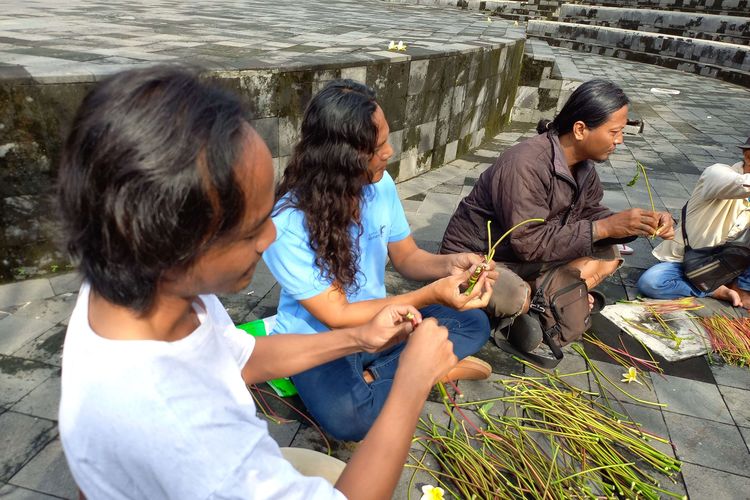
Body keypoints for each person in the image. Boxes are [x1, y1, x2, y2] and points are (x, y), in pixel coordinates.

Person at [57, 66, 460, 499]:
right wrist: (411, 386)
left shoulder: (137, 282)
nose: (269, 238)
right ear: (179, 246)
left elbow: (241, 356)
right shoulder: (188, 431)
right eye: (251, 230)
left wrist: (359, 338)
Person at [262, 79, 496, 442]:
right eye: (378, 145)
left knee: (475, 321)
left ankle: (388, 377)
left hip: (388, 325)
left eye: (387, 138)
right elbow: (336, 315)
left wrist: (451, 265)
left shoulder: (378, 185)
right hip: (325, 341)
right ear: (343, 157)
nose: (390, 151)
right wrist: (431, 295)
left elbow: (407, 257)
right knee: (350, 422)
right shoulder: (287, 222)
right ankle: (424, 370)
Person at [440, 79, 675, 358]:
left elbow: (590, 215)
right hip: (481, 258)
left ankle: (541, 301)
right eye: (614, 131)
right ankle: (536, 303)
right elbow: (527, 242)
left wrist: (632, 225)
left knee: (610, 255)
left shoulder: (583, 167)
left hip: (530, 258)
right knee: (514, 295)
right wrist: (603, 227)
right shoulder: (525, 164)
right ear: (580, 129)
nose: (619, 140)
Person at [637, 137, 750, 308]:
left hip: (728, 263)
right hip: (691, 263)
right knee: (652, 282)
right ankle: (716, 289)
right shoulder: (716, 173)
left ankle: (741, 285)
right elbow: (739, 185)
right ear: (748, 156)